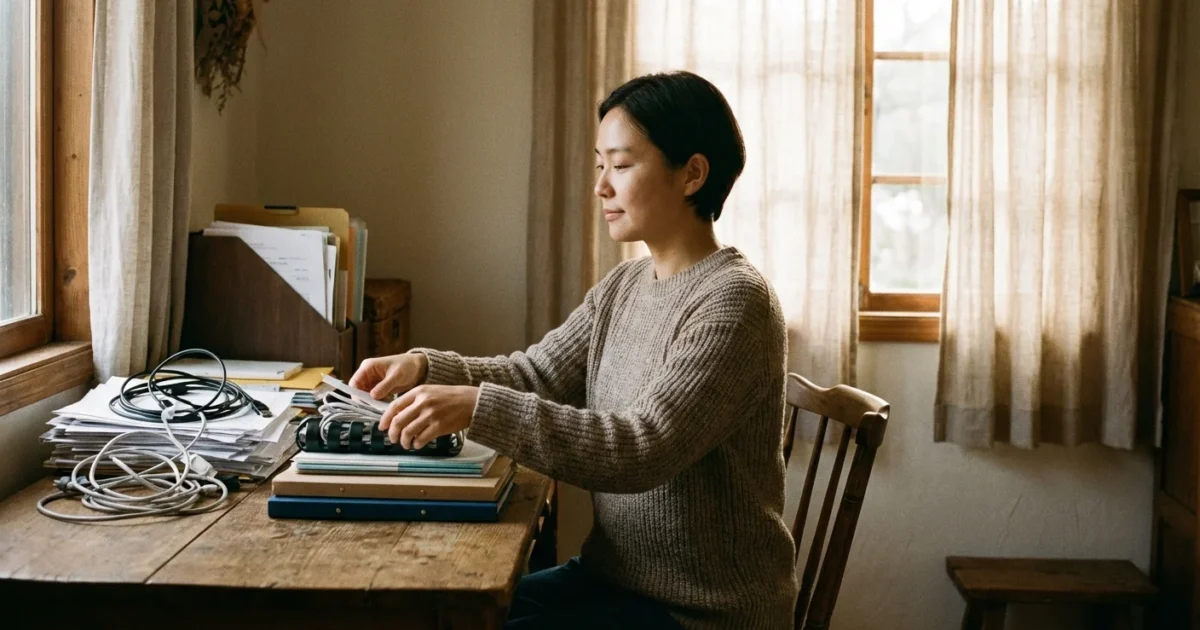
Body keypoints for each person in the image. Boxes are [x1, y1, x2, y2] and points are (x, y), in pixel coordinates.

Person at [349, 70, 798, 630]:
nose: (601, 187)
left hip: (701, 612)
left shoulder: (735, 302)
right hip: (614, 580)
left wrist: (477, 407)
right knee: (431, 612)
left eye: (621, 165)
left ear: (692, 174)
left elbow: (643, 448)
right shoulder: (624, 285)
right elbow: (535, 374)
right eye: (599, 166)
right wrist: (424, 367)